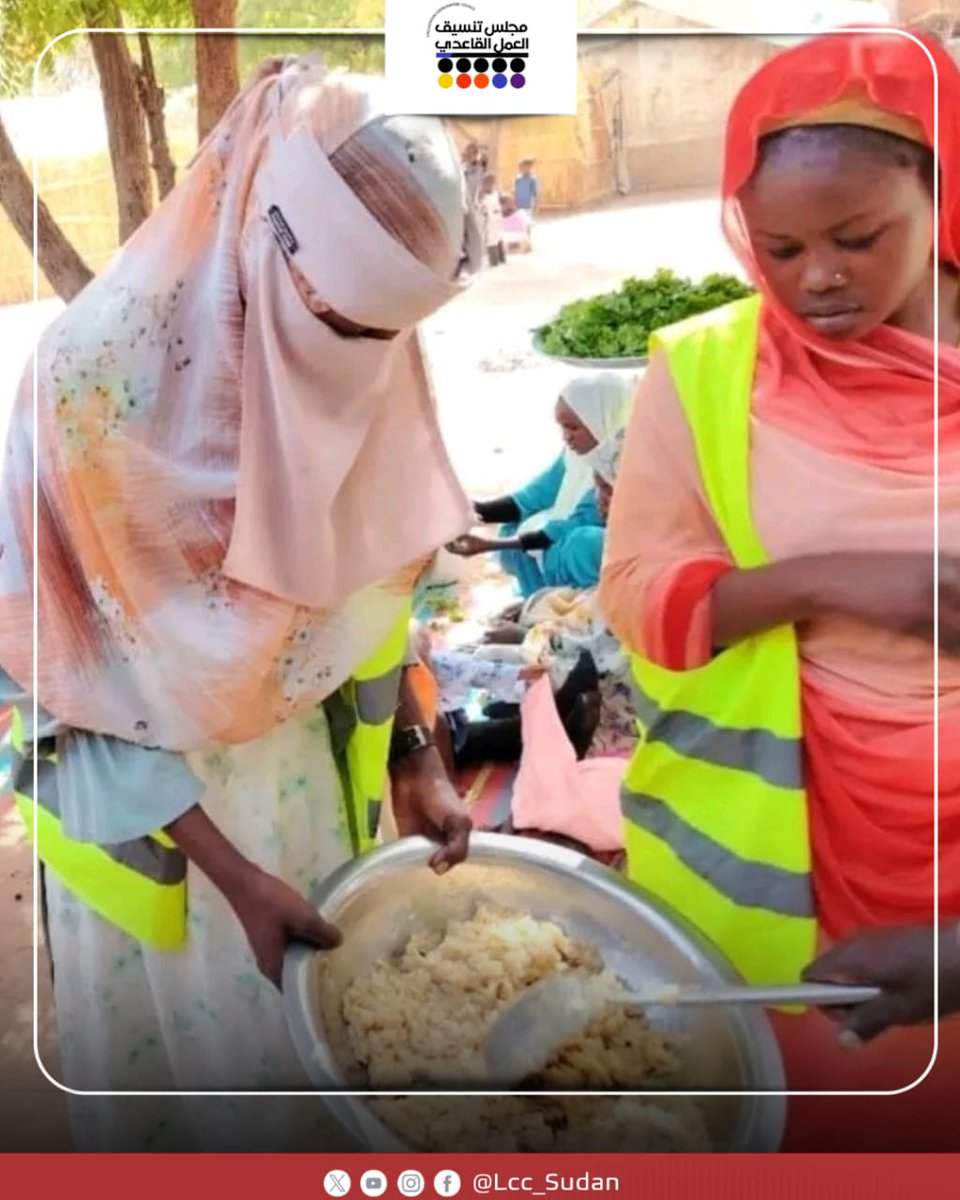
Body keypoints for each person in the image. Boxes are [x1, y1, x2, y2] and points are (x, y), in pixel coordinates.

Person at [0, 59, 482, 1150]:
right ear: (267, 234)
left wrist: (416, 756)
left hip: (308, 811)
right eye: (336, 320)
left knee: (317, 1097)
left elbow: (375, 592)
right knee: (198, 1105)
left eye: (382, 334)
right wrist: (233, 876)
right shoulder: (87, 396)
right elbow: (39, 685)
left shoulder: (379, 360)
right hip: (158, 842)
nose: (354, 362)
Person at [599, 27, 960, 1150]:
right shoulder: (704, 368)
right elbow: (636, 590)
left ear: (941, 193)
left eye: (859, 238)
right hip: (788, 839)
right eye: (780, 248)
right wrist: (823, 583)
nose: (819, 279)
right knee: (829, 1111)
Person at [449, 372, 634, 596]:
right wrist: (465, 512)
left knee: (583, 545)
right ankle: (538, 598)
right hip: (564, 536)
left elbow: (574, 525)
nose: (566, 437)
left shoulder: (621, 463)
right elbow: (532, 497)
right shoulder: (575, 455)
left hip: (603, 551)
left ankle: (565, 601)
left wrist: (491, 545)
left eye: (573, 428)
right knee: (514, 526)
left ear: (602, 420)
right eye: (563, 427)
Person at [476, 172, 507, 268]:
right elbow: (478, 205)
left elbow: (502, 203)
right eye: (486, 183)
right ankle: (494, 260)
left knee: (499, 237)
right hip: (488, 220)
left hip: (497, 218)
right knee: (491, 240)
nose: (488, 185)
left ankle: (502, 257)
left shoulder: (496, 193)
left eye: (490, 183)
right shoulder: (481, 194)